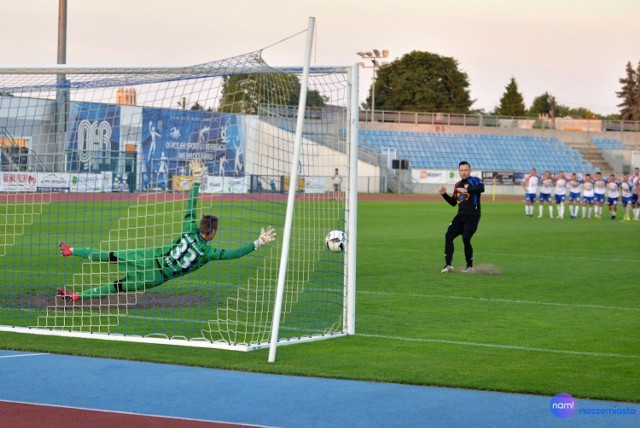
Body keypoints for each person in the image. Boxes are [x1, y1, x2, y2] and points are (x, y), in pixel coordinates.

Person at [56, 159, 276, 302]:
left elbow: (191, 204)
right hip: (158, 275)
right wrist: (258, 242)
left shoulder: (189, 230)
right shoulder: (209, 253)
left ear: (200, 226)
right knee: (117, 287)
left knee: (110, 256)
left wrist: (196, 180)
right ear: (213, 233)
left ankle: (71, 250)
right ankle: (77, 296)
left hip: (150, 256)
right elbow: (234, 254)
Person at [438, 161, 485, 273]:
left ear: (470, 170)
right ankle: (448, 265)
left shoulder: (475, 180)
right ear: (459, 171)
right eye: (462, 170)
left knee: (466, 238)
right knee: (448, 235)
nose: (464, 172)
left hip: (473, 215)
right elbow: (453, 202)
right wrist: (444, 194)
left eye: (466, 170)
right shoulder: (457, 184)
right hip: (460, 216)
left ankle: (469, 266)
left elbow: (481, 188)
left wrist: (467, 190)